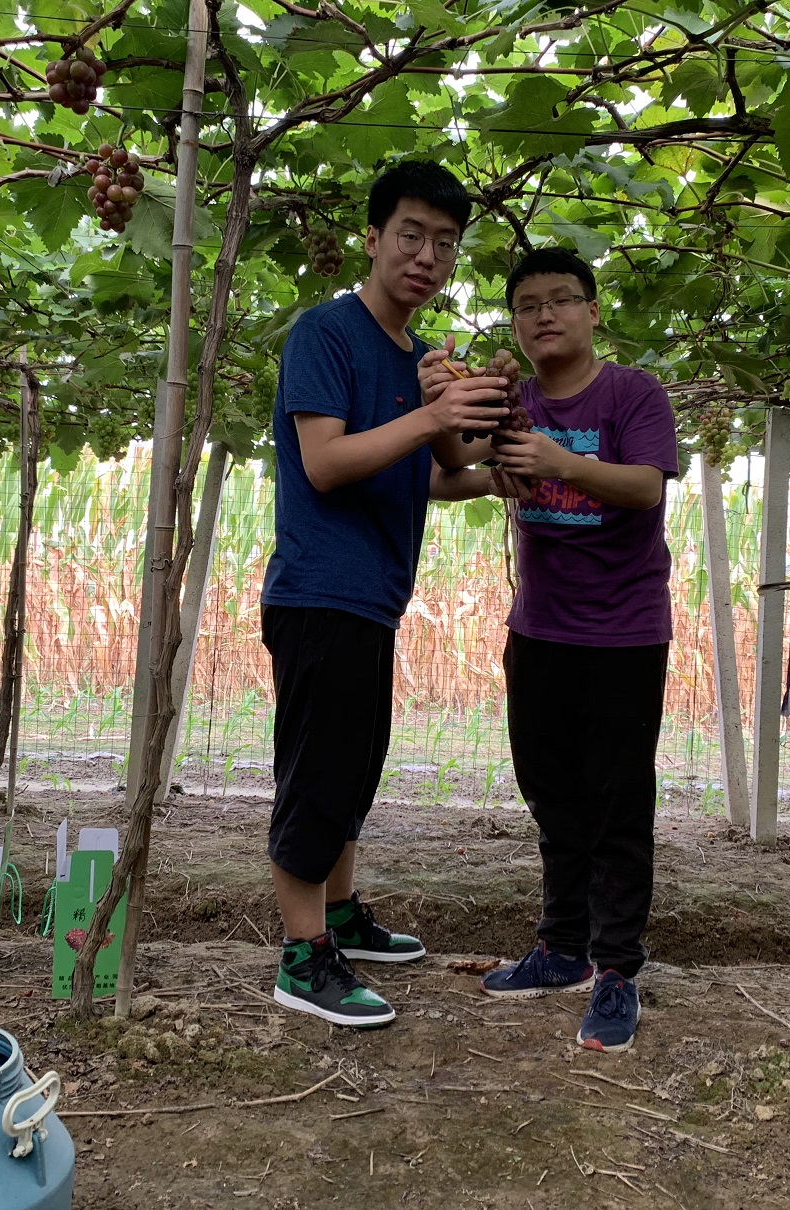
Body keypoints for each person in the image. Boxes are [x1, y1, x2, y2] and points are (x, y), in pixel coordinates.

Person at [260, 160, 517, 1027]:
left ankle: (338, 917)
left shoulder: (417, 358)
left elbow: (423, 473)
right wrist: (434, 417)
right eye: (410, 235)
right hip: (319, 591)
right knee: (315, 778)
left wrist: (485, 469)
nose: (426, 256)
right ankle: (303, 958)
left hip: (372, 597)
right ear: (372, 239)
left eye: (444, 243)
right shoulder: (325, 334)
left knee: (351, 774)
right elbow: (327, 463)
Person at [421, 246, 678, 1053]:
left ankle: (616, 970)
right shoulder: (512, 401)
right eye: (527, 305)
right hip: (537, 633)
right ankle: (562, 949)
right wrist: (442, 414)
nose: (544, 315)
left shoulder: (632, 393)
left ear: (591, 311)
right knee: (553, 798)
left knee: (617, 805)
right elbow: (443, 474)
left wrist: (563, 462)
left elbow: (645, 485)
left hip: (623, 635)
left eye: (561, 299)